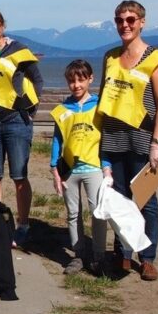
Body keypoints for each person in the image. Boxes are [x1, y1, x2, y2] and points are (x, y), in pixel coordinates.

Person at [98, 0, 158, 281]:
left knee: (145, 200)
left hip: (144, 140)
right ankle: (123, 254)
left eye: (130, 20)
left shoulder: (156, 58)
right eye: (119, 20)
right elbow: (104, 98)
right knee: (119, 201)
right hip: (114, 138)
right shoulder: (110, 57)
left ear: (142, 22)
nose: (124, 25)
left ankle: (148, 257)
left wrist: (156, 143)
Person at [0, 8, 43, 247]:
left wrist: (31, 109)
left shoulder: (18, 50)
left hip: (16, 120)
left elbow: (37, 79)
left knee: (19, 176)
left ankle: (23, 225)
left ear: (3, 26)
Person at [50, 60, 108, 275]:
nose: (76, 85)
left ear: (90, 79)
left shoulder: (100, 106)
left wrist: (107, 166)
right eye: (72, 81)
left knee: (98, 212)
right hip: (69, 170)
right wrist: (54, 168)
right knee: (73, 213)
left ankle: (99, 256)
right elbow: (57, 140)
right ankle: (79, 255)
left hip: (94, 168)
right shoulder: (62, 110)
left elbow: (107, 138)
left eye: (81, 80)